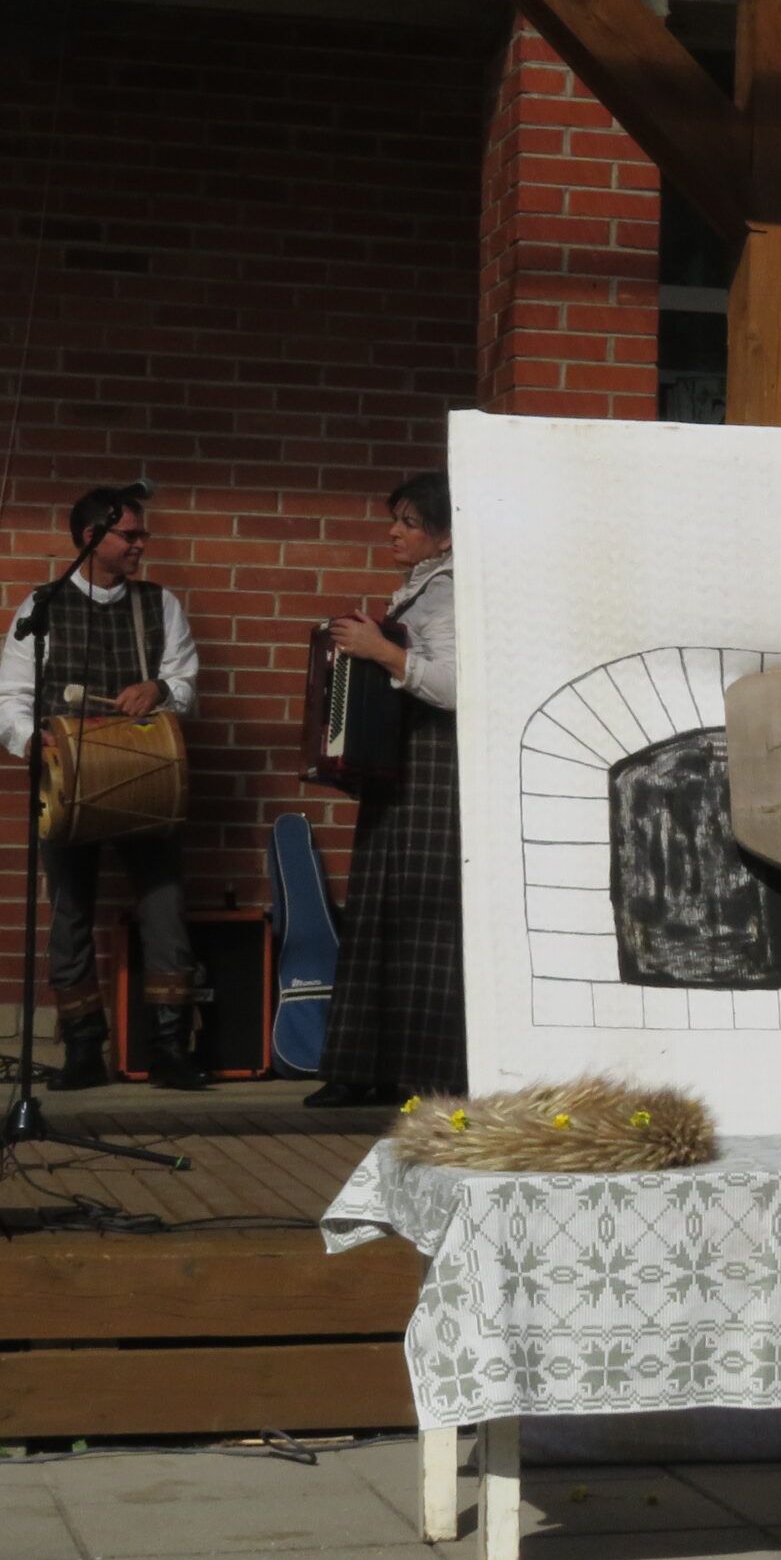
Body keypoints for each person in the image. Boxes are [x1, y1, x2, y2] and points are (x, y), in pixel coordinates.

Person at [0, 485, 206, 1090]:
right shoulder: (42, 606)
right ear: (91, 538)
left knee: (165, 908)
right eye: (129, 535)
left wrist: (160, 690)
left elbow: (185, 682)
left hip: (146, 777)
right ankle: (84, 1050)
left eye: (141, 534)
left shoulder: (160, 604)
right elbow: (7, 698)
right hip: (68, 780)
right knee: (70, 913)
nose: (141, 544)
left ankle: (170, 1048)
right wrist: (32, 740)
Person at [307, 474, 464, 1109]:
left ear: (446, 536)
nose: (394, 532)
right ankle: (363, 1068)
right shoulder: (422, 588)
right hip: (400, 769)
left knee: (422, 918)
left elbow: (456, 686)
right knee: (376, 911)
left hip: (435, 772)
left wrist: (380, 650)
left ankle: (420, 1072)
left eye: (410, 523)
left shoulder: (452, 591)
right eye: (395, 519)